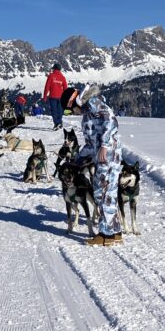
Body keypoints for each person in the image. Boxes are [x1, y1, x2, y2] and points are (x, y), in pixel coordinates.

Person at [61, 84, 123, 246]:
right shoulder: (88, 113)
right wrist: (77, 161)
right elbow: (89, 145)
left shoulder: (94, 104)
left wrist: (105, 145)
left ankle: (105, 234)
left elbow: (111, 121)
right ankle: (115, 231)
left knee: (102, 193)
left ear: (74, 102)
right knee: (107, 192)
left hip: (107, 156)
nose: (73, 113)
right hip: (101, 156)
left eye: (71, 110)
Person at [43, 62, 68, 131]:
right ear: (60, 69)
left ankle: (57, 123)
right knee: (60, 111)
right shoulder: (62, 77)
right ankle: (59, 122)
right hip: (61, 97)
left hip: (52, 97)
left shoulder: (51, 76)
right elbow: (65, 88)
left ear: (54, 69)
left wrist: (45, 96)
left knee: (54, 111)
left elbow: (47, 87)